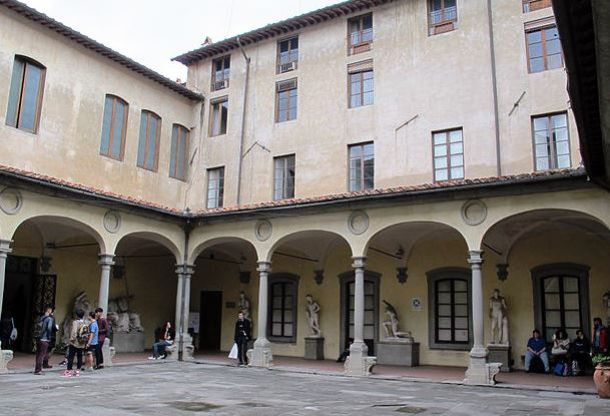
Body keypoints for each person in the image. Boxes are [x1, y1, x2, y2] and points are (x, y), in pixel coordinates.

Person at [63, 309, 87, 377]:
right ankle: (77, 371)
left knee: (71, 356)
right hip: (82, 342)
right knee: (80, 356)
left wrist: (71, 340)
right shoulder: (85, 322)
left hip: (75, 342)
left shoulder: (75, 322)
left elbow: (74, 332)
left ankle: (68, 371)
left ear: (77, 315)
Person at [33, 305, 54, 375]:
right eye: (51, 310)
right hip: (44, 339)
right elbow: (49, 328)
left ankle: (36, 369)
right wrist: (49, 337)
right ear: (49, 310)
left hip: (38, 338)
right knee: (42, 355)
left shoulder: (40, 317)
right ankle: (38, 370)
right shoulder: (49, 319)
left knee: (38, 354)